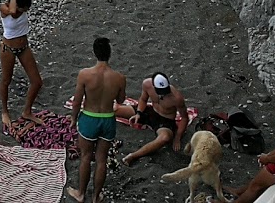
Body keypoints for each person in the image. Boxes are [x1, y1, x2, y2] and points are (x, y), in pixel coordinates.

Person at [69, 37, 127, 203]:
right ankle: (95, 197)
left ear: (94, 53)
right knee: (101, 159)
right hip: (108, 119)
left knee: (86, 157)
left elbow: (77, 101)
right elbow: (121, 100)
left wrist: (73, 119)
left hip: (89, 118)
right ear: (110, 54)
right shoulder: (119, 78)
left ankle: (81, 193)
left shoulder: (85, 75)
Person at [0, 0, 45, 129]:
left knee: (37, 81)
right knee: (6, 80)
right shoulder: (5, 8)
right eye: (22, 9)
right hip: (8, 49)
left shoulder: (23, 1)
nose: (23, 12)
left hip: (23, 47)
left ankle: (27, 111)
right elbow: (12, 11)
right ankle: (5, 111)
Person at [121, 73, 187, 164]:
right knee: (116, 110)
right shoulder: (147, 84)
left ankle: (133, 156)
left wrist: (177, 137)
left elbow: (184, 117)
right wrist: (139, 113)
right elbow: (143, 99)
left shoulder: (176, 98)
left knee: (165, 138)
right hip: (151, 111)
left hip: (165, 119)